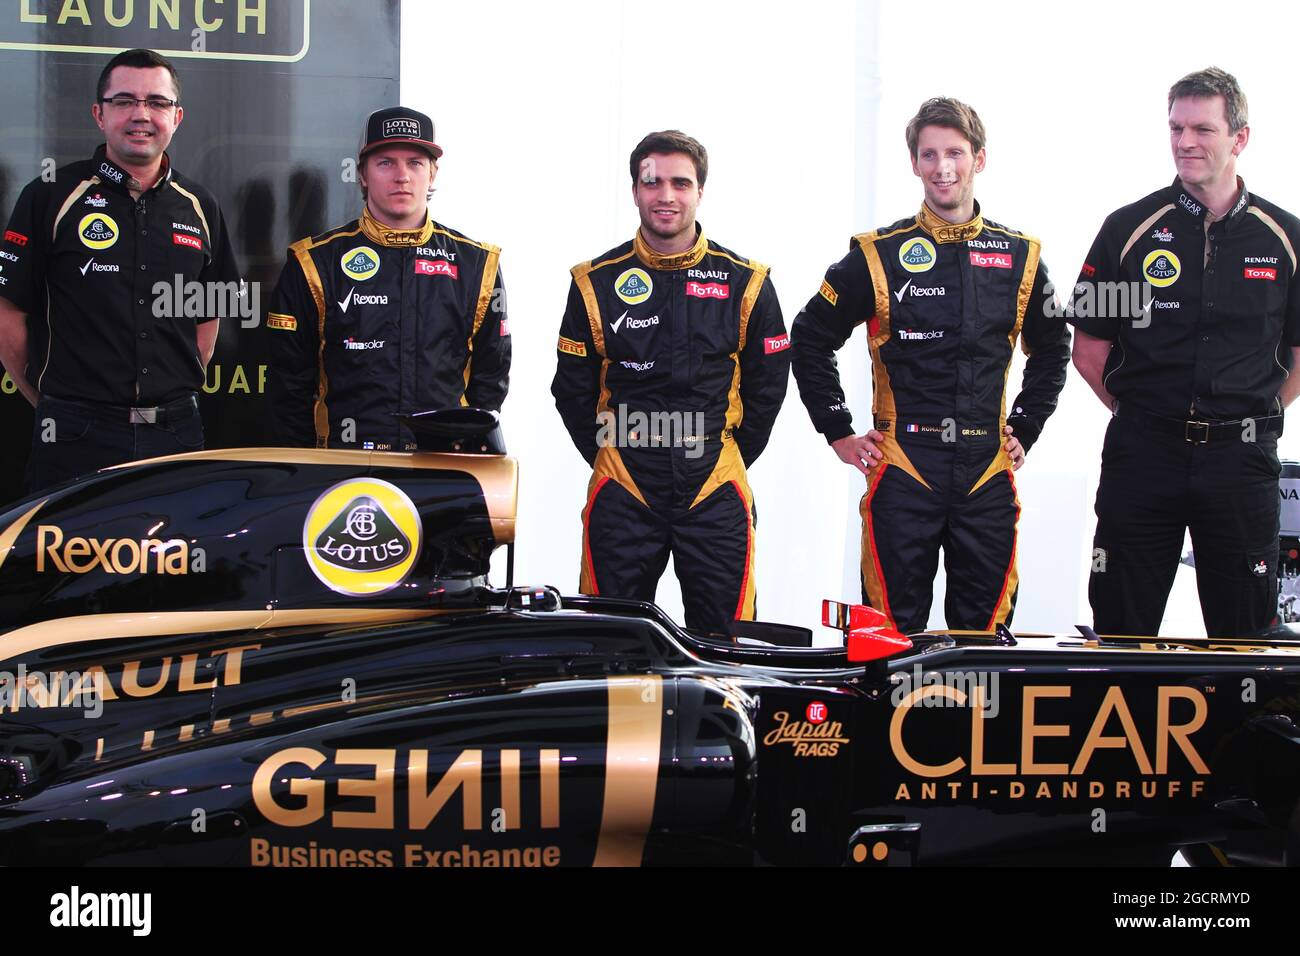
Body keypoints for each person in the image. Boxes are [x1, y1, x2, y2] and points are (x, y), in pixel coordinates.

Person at [791, 97, 1069, 635]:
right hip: (903, 464)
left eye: (955, 153)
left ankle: (976, 723)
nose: (943, 167)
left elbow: (1055, 345)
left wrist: (1027, 427)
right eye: (929, 154)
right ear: (914, 163)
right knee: (887, 638)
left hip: (986, 467)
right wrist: (839, 432)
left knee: (985, 642)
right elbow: (808, 337)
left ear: (979, 159)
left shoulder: (1021, 255)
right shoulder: (877, 254)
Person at [1070, 67, 1300, 638]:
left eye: (1202, 128)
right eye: (1176, 128)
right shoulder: (1126, 228)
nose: (1185, 142)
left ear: (1239, 139)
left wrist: (1255, 417)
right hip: (1144, 456)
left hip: (1241, 463)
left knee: (1246, 635)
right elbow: (1087, 351)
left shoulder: (1286, 238)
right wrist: (1145, 420)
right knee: (1121, 626)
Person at [551, 130, 790, 635]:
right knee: (609, 642)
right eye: (652, 182)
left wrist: (723, 455)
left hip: (714, 485)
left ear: (700, 191)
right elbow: (571, 390)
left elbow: (768, 389)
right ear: (634, 190)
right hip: (625, 483)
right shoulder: (593, 282)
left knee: (728, 645)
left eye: (680, 183)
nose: (666, 195)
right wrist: (612, 454)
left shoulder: (747, 282)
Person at [0, 48, 239, 491]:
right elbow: (9, 313)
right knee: (66, 560)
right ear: (99, 113)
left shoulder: (200, 205)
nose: (140, 114)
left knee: (171, 560)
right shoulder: (50, 195)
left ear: (177, 116)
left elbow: (210, 315)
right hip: (74, 435)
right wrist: (50, 402)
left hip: (175, 432)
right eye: (124, 101)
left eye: (156, 102)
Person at [267, 106, 508, 450]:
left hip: (442, 469)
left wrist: (464, 449)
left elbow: (491, 378)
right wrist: (307, 472)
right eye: (385, 163)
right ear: (362, 174)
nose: (402, 176)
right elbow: (288, 386)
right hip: (342, 470)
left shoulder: (477, 262)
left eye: (415, 162)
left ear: (433, 173)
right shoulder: (313, 261)